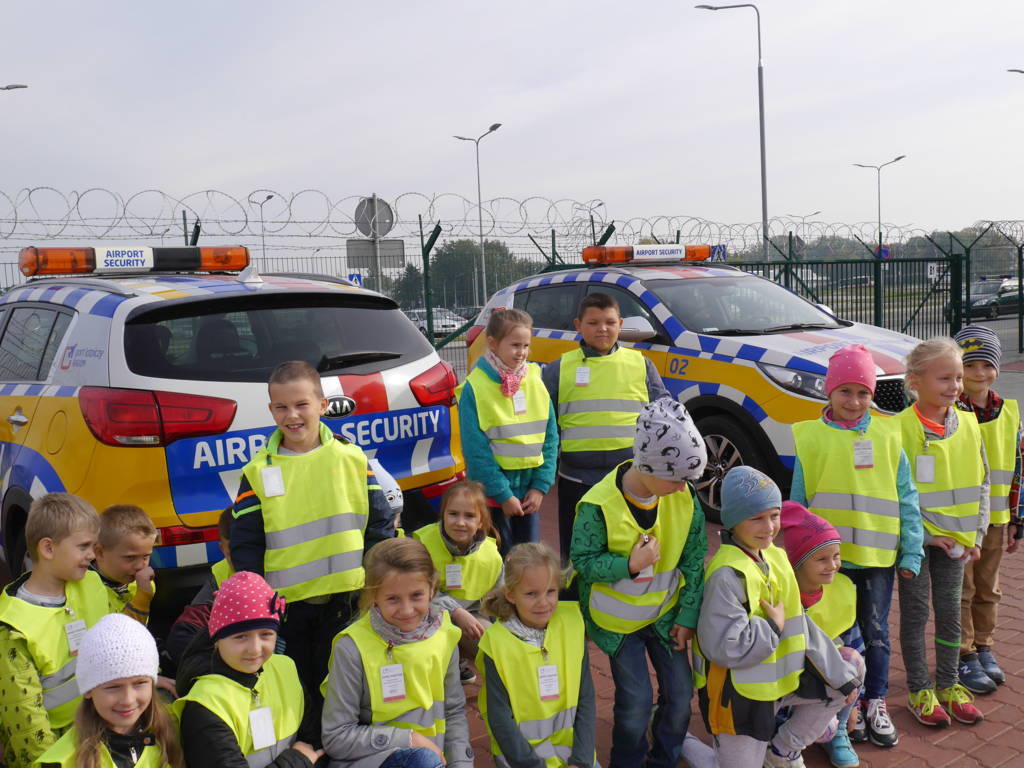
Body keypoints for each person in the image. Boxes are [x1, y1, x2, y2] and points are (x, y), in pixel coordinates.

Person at [231, 360, 395, 693]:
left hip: (347, 599)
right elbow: (247, 544)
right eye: (281, 407)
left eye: (301, 404)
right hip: (287, 609)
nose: (292, 415)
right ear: (271, 410)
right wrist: (258, 601)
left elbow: (380, 525)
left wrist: (375, 586)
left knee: (345, 684)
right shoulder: (257, 471)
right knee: (299, 687)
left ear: (322, 405)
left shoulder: (352, 458)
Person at [789, 343, 922, 748]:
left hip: (877, 560)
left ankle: (874, 701)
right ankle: (843, 706)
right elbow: (798, 505)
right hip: (828, 564)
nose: (854, 401)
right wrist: (795, 558)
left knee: (876, 633)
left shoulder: (888, 434)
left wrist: (912, 549)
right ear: (828, 391)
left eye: (863, 392)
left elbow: (907, 496)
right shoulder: (809, 437)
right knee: (836, 635)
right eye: (845, 391)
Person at [570, 397, 707, 768]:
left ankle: (664, 759)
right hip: (618, 625)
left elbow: (694, 560)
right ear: (650, 464)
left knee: (680, 695)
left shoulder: (684, 497)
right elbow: (583, 562)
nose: (683, 487)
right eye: (677, 478)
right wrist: (629, 565)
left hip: (665, 617)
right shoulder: (598, 505)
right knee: (636, 702)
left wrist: (688, 615)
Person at [695, 467, 862, 768]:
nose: (769, 527)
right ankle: (681, 741)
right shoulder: (726, 575)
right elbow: (723, 647)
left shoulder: (776, 556)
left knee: (850, 671)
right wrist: (772, 626)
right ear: (733, 521)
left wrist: (842, 679)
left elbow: (802, 624)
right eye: (756, 518)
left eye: (774, 516)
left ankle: (781, 753)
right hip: (742, 697)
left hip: (783, 682)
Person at [896, 337, 989, 727]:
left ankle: (949, 685)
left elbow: (982, 483)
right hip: (916, 545)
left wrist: (976, 536)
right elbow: (892, 493)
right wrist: (921, 538)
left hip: (956, 545)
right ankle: (920, 689)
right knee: (916, 615)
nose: (954, 386)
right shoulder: (897, 429)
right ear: (915, 381)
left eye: (958, 378)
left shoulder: (968, 424)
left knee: (951, 614)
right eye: (944, 378)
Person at [321, 538, 472, 768]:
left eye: (416, 595)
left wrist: (460, 762)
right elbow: (336, 737)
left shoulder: (445, 634)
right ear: (373, 595)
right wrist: (408, 739)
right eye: (393, 599)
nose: (407, 610)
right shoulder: (351, 647)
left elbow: (453, 712)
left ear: (432, 588)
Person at [542, 292, 668, 563]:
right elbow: (543, 422)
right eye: (593, 323)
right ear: (578, 325)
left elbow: (664, 416)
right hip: (577, 480)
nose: (602, 329)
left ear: (620, 324)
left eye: (610, 322)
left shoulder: (642, 365)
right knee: (576, 554)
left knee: (627, 549)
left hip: (630, 479)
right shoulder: (559, 369)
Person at [0, 493, 109, 768]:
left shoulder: (90, 584)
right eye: (83, 546)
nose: (92, 555)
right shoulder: (13, 626)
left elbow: (115, 641)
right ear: (48, 548)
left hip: (102, 732)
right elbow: (26, 722)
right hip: (57, 750)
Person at [174, 571, 323, 768]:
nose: (255, 649)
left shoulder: (285, 668)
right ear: (216, 640)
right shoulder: (205, 704)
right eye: (240, 636)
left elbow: (314, 742)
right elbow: (307, 754)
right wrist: (297, 761)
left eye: (266, 634)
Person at [476, 542, 595, 768]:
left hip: (571, 754)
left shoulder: (573, 625)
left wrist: (581, 761)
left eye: (550, 591)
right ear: (510, 594)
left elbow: (586, 699)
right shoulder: (496, 643)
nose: (543, 602)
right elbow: (500, 719)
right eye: (531, 594)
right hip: (521, 760)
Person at [953, 326, 1023, 693]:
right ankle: (963, 653)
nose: (979, 373)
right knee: (962, 590)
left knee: (988, 589)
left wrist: (1017, 519)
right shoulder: (949, 410)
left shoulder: (1009, 412)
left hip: (996, 519)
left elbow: (1018, 466)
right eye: (970, 365)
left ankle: (984, 647)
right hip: (960, 520)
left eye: (986, 365)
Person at [458, 308, 557, 551]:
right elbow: (476, 452)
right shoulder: (475, 387)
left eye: (526, 346)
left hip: (529, 495)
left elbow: (550, 437)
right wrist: (503, 495)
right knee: (497, 562)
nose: (521, 352)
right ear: (493, 344)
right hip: (492, 498)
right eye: (515, 345)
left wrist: (540, 486)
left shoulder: (535, 380)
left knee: (528, 560)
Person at [34, 613, 184, 768]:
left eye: (140, 683)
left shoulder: (173, 733)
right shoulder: (61, 762)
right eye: (113, 687)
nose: (128, 700)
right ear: (88, 690)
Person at [779, 501, 866, 768]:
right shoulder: (780, 593)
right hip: (786, 682)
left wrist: (852, 705)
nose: (833, 565)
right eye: (821, 559)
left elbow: (857, 651)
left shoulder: (843, 590)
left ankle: (836, 733)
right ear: (797, 561)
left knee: (853, 660)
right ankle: (781, 737)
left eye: (836, 556)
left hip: (827, 682)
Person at [412, 480, 503, 684]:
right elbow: (416, 592)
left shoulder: (491, 554)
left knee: (495, 647)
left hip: (471, 615)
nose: (460, 522)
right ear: (443, 515)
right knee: (436, 642)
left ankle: (501, 694)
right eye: (453, 514)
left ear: (481, 521)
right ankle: (449, 665)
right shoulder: (422, 543)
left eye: (469, 516)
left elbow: (499, 600)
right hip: (424, 616)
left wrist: (506, 633)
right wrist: (455, 612)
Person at [165, 508, 235, 669]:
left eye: (252, 548)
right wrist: (226, 670)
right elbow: (183, 636)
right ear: (222, 549)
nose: (244, 558)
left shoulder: (284, 570)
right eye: (234, 552)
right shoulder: (222, 574)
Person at [93, 505, 159, 625]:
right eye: (130, 557)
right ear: (100, 553)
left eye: (145, 556)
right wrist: (142, 597)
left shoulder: (143, 584)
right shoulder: (86, 589)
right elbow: (119, 632)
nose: (140, 566)